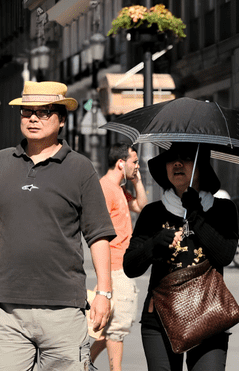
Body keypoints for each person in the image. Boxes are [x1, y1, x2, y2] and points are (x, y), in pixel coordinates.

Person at [0, 81, 116, 370]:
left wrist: (104, 293)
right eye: (27, 111)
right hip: (7, 309)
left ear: (62, 119)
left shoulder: (80, 168)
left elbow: (98, 234)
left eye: (44, 112)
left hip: (64, 308)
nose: (33, 118)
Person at [123, 143, 238, 371]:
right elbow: (130, 266)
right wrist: (153, 244)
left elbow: (224, 254)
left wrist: (195, 214)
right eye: (171, 159)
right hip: (159, 319)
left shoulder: (223, 209)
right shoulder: (152, 213)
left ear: (200, 166)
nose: (177, 163)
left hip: (209, 314)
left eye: (186, 158)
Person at [90, 142, 148, 371]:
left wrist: (137, 180)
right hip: (114, 267)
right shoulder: (105, 188)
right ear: (120, 163)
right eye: (134, 162)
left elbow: (142, 205)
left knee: (109, 329)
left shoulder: (119, 190)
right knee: (117, 329)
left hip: (121, 266)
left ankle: (82, 365)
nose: (138, 166)